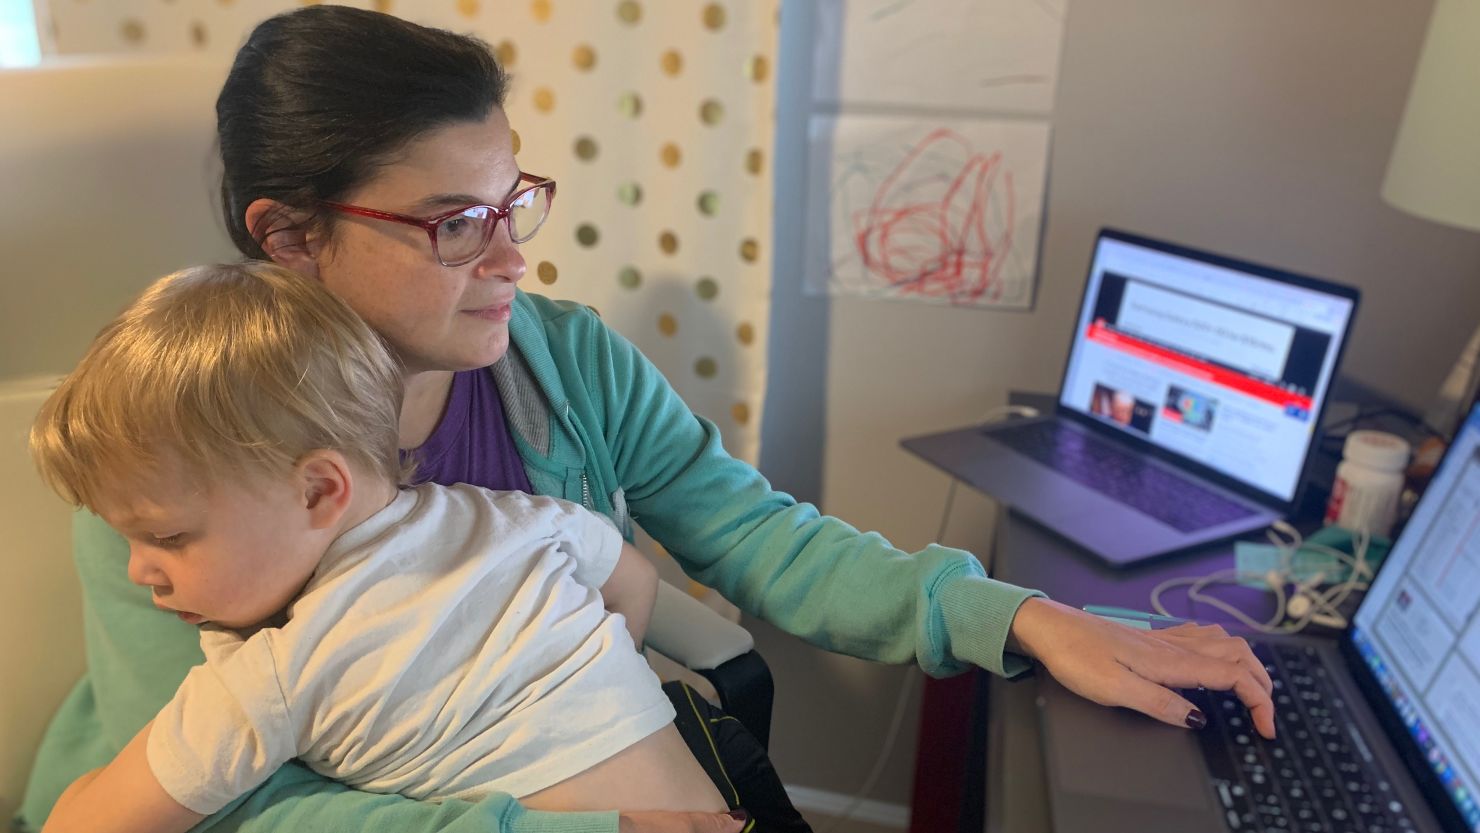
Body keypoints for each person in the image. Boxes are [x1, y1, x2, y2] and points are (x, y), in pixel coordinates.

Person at [18, 6, 1275, 833]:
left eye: (512, 200)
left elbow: (761, 540)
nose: (511, 255)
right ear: (289, 237)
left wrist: (1022, 616)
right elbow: (211, 806)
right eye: (456, 223)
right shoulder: (165, 462)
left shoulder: (561, 363)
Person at [32, 262, 799, 833]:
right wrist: (594, 677)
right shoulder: (510, 518)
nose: (139, 570)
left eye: (167, 538)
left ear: (317, 492)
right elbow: (632, 579)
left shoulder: (268, 679)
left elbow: (86, 826)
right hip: (719, 794)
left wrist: (70, 798)